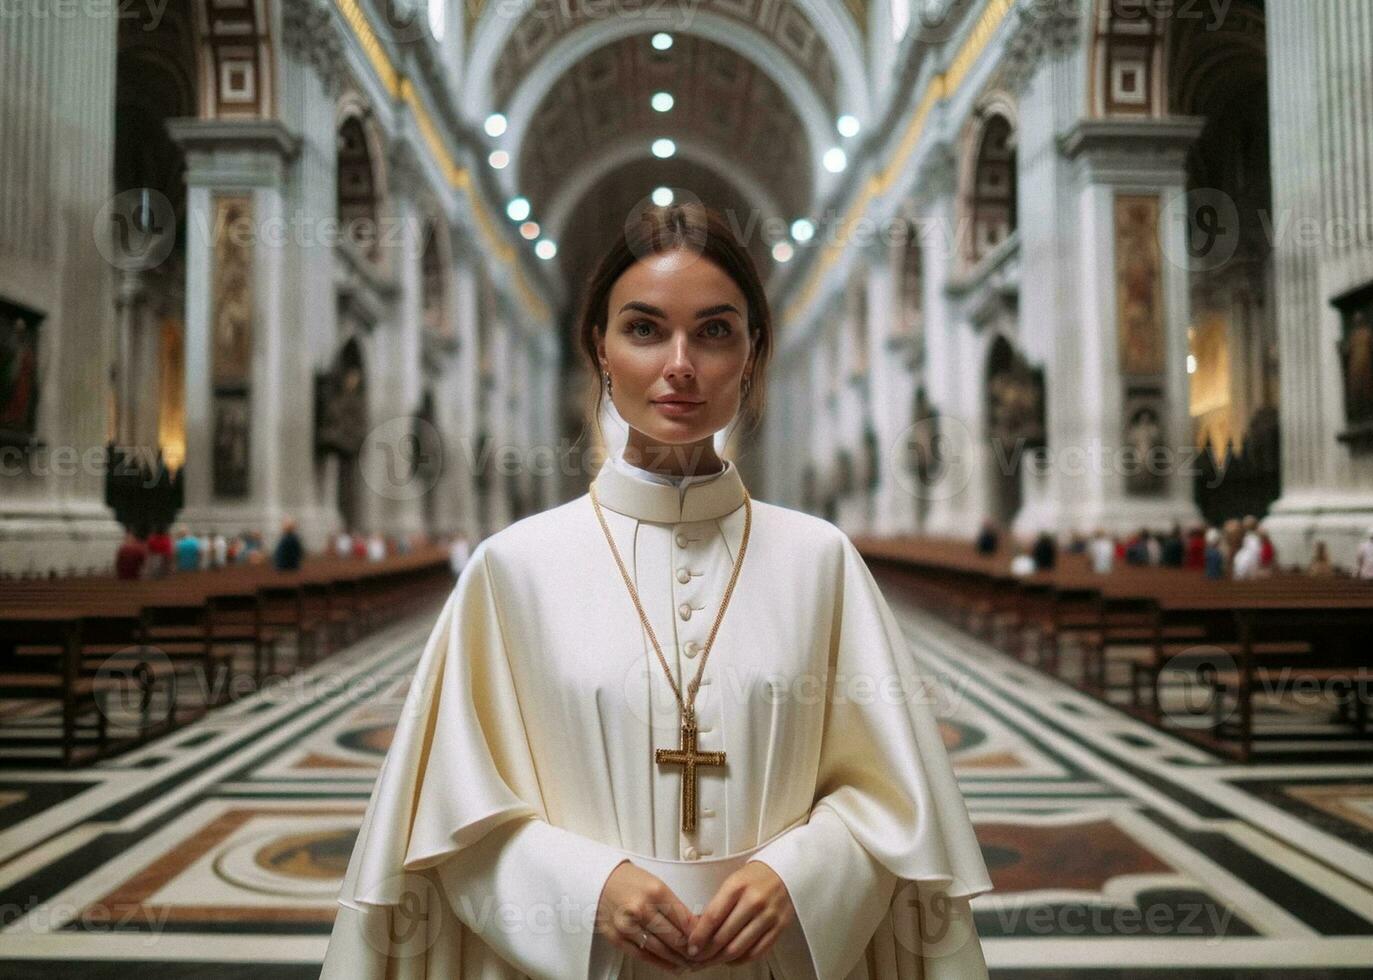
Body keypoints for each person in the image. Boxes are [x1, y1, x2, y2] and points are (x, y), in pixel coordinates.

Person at [322, 204, 993, 979]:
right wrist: (585, 890)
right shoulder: (511, 570)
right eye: (644, 329)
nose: (680, 364)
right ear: (599, 351)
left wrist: (799, 877)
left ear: (751, 355)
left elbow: (891, 799)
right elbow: (446, 815)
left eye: (714, 331)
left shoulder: (821, 562)